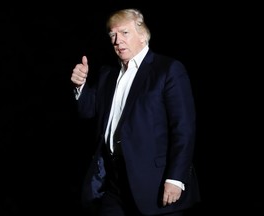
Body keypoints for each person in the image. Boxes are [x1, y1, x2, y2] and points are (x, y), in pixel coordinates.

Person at [71, 8, 200, 216]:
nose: (117, 40)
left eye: (124, 32)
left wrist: (176, 178)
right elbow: (87, 112)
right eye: (112, 34)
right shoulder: (108, 74)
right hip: (113, 184)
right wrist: (80, 86)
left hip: (155, 184)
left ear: (142, 35)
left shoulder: (167, 70)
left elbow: (183, 128)